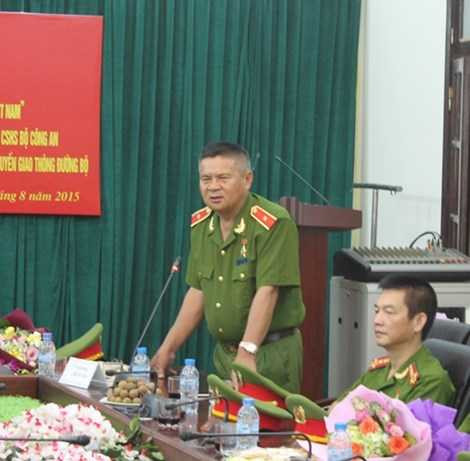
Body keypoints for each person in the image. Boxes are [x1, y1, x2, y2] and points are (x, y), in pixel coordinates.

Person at [150, 141, 305, 392]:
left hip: (268, 355)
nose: (213, 187)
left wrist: (248, 350)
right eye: (206, 179)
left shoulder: (272, 223)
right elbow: (198, 291)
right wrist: (169, 347)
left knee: (263, 418)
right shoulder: (202, 225)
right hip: (225, 355)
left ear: (247, 179)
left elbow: (268, 291)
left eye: (223, 178)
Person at [336, 274, 455, 405]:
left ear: (418, 322)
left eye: (389, 312)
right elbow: (338, 405)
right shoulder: (380, 369)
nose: (377, 321)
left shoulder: (431, 381)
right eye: (377, 311)